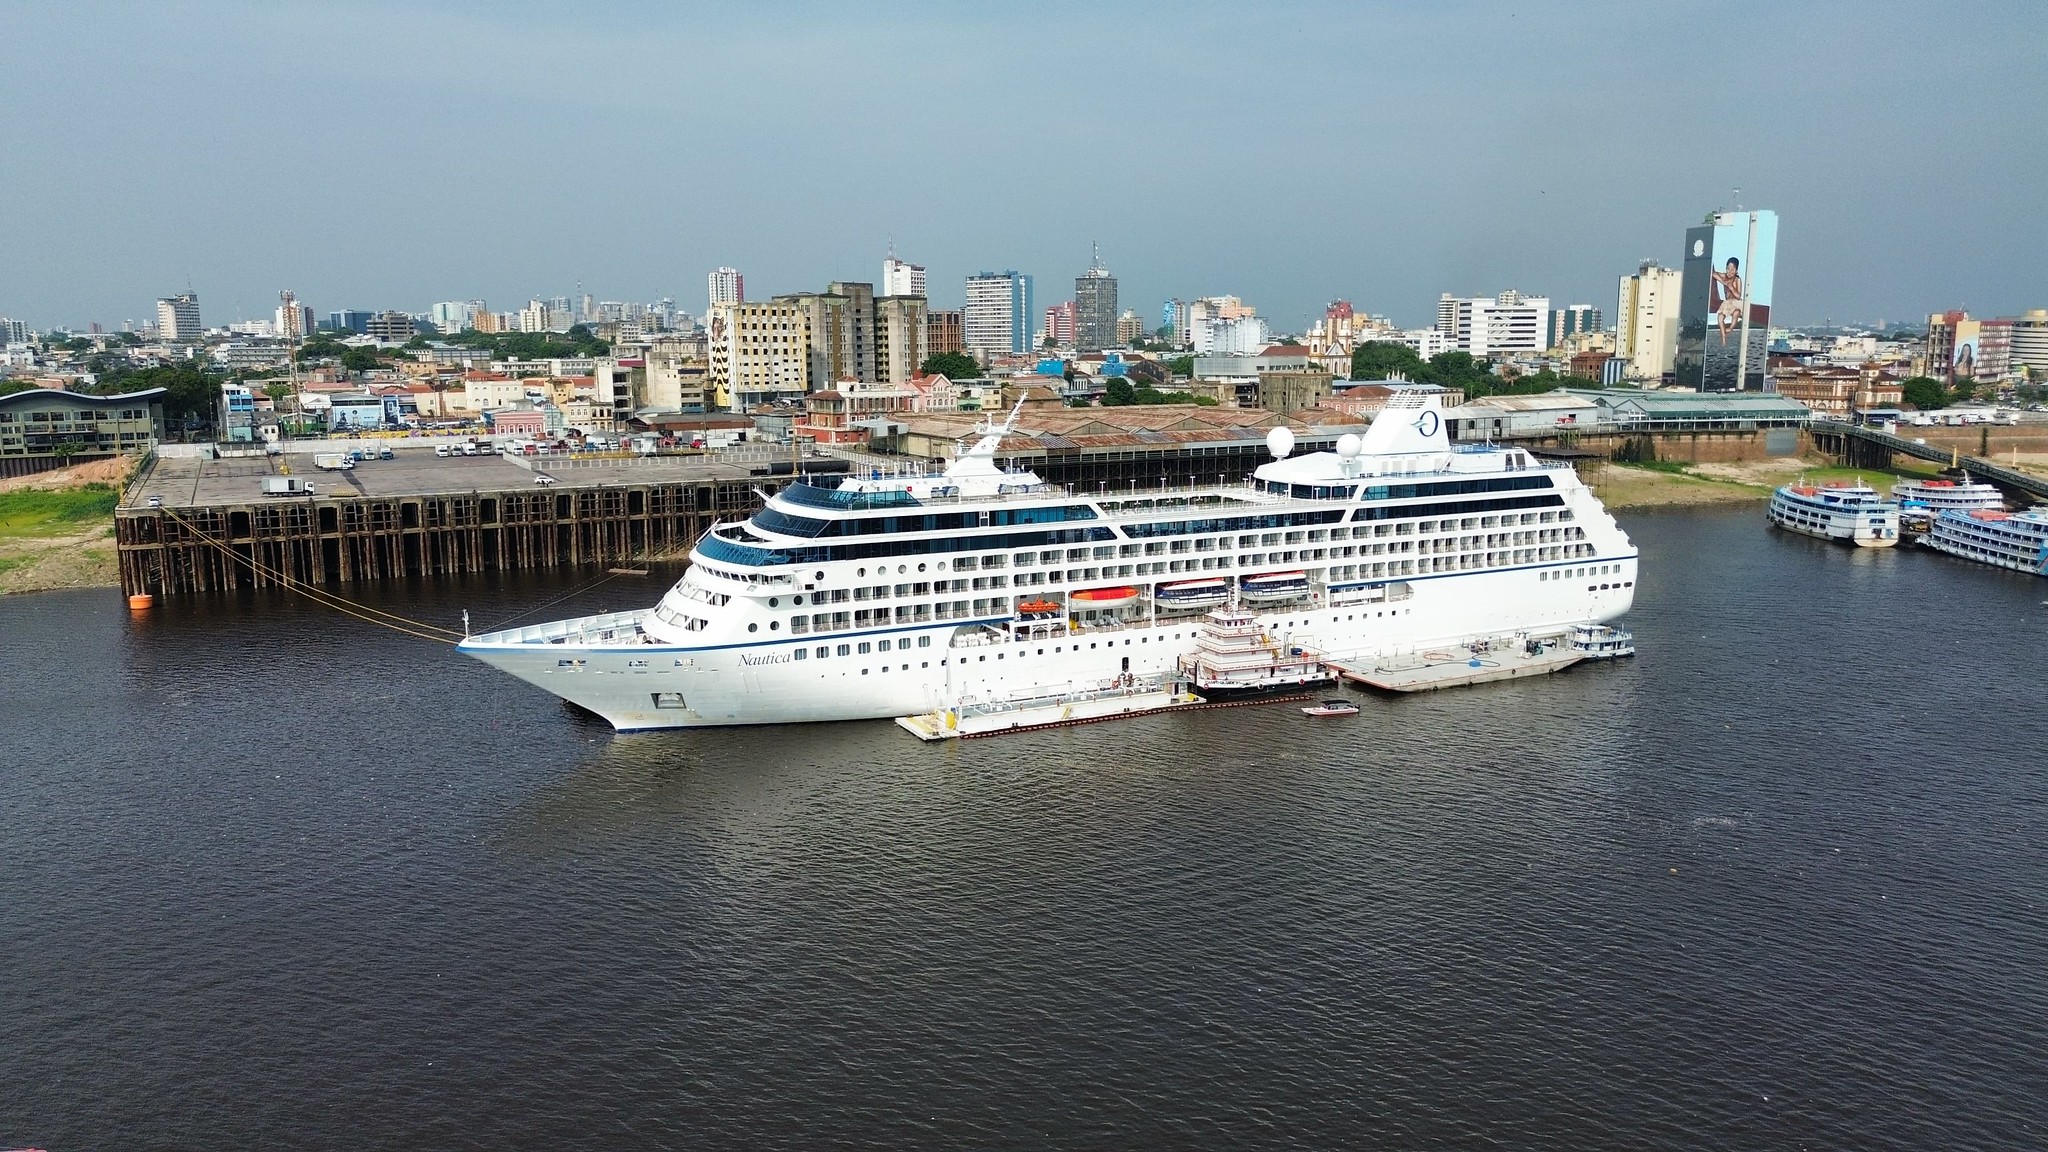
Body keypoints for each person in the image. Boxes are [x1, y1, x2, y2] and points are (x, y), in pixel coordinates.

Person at [1712, 256, 1745, 345]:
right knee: (1720, 317)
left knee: (1736, 313)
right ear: (1726, 268)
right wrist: (1723, 282)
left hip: (1736, 303)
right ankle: (1723, 337)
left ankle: (1730, 328)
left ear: (1736, 271)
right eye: (1728, 269)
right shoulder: (1725, 276)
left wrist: (1731, 288)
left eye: (1733, 270)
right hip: (1727, 303)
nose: (1730, 272)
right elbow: (1714, 274)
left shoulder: (1737, 279)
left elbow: (1738, 295)